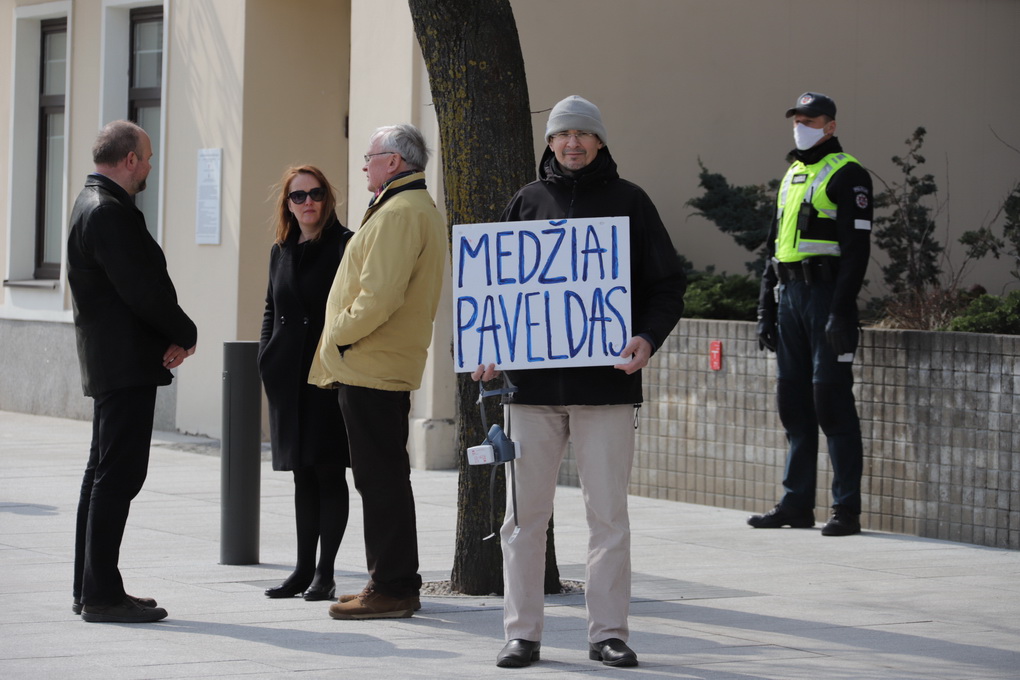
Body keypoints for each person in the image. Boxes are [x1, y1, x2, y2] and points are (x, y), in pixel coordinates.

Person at [473, 95, 687, 669]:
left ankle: (608, 633)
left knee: (608, 518)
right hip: (531, 392)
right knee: (523, 519)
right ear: (549, 142)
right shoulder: (527, 201)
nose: (572, 143)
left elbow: (668, 285)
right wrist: (486, 349)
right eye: (562, 134)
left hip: (607, 388)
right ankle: (522, 633)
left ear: (599, 141)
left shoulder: (631, 202)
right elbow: (495, 289)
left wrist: (648, 338)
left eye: (582, 134)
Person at [308, 124, 448, 620]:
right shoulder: (405, 207)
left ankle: (391, 587)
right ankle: (392, 581)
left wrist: (338, 333)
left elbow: (379, 295)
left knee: (380, 479)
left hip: (372, 363)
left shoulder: (400, 212)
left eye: (370, 157)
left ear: (393, 161)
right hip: (378, 362)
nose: (364, 165)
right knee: (383, 476)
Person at [68, 120, 197, 623]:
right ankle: (101, 595)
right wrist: (184, 331)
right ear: (128, 160)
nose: (148, 167)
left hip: (115, 362)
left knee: (102, 474)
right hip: (123, 364)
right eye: (146, 158)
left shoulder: (94, 202)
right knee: (117, 477)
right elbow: (139, 289)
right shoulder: (106, 211)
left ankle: (91, 587)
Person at [748, 92, 872, 537]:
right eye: (797, 120)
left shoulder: (848, 174)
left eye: (811, 120)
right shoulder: (793, 174)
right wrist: (765, 309)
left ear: (830, 126)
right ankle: (796, 505)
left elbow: (857, 251)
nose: (801, 127)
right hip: (790, 298)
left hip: (825, 297)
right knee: (794, 408)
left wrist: (841, 311)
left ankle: (846, 510)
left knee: (831, 405)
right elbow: (773, 249)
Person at [259, 166, 353, 601]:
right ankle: (301, 570)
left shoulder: (345, 245)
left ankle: (325, 573)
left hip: (327, 376)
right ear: (288, 204)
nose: (308, 202)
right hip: (287, 376)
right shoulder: (280, 249)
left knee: (328, 471)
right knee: (301, 474)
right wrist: (266, 356)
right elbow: (270, 307)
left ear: (327, 198)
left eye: (316, 193)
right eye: (299, 196)